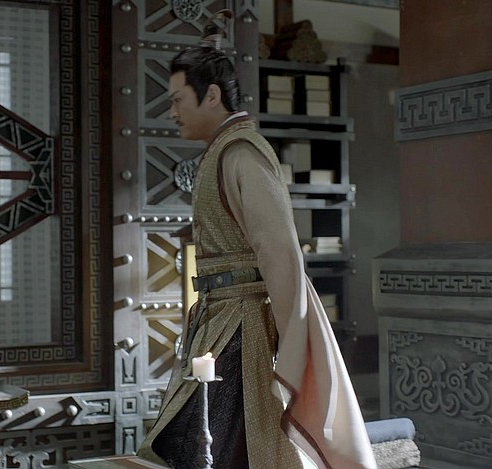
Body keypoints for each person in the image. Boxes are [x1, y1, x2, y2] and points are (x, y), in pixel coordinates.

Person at [135, 35, 377, 469]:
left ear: (211, 95)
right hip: (220, 319)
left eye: (177, 100)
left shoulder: (242, 152)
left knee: (211, 444)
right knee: (193, 441)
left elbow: (278, 249)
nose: (171, 112)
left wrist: (292, 340)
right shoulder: (221, 152)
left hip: (244, 324)